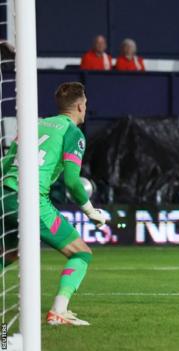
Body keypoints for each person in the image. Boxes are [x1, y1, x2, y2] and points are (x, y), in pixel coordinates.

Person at [1, 82, 106, 325]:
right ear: (80, 106)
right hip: (29, 201)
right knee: (81, 253)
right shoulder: (72, 133)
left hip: (3, 196)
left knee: (9, 254)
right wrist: (90, 211)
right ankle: (58, 311)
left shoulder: (32, 124)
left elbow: (4, 164)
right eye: (86, 105)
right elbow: (72, 180)